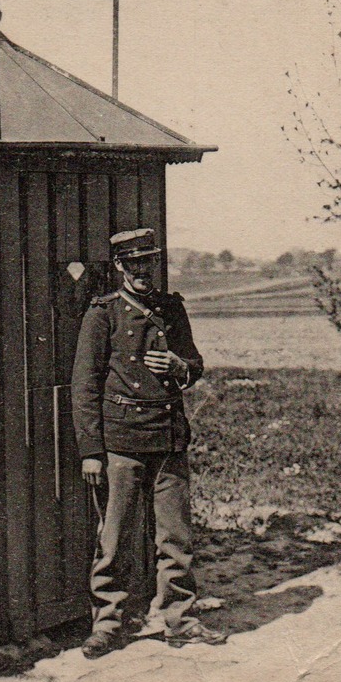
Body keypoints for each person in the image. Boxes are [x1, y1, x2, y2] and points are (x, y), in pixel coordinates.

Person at [71, 227, 227, 659]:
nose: (141, 270)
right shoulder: (102, 313)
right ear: (119, 267)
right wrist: (91, 451)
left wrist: (181, 365)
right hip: (122, 439)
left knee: (175, 538)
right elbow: (84, 387)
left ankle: (181, 620)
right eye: (132, 263)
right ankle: (107, 624)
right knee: (114, 540)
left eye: (147, 261)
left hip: (168, 437)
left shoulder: (171, 308)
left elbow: (194, 366)